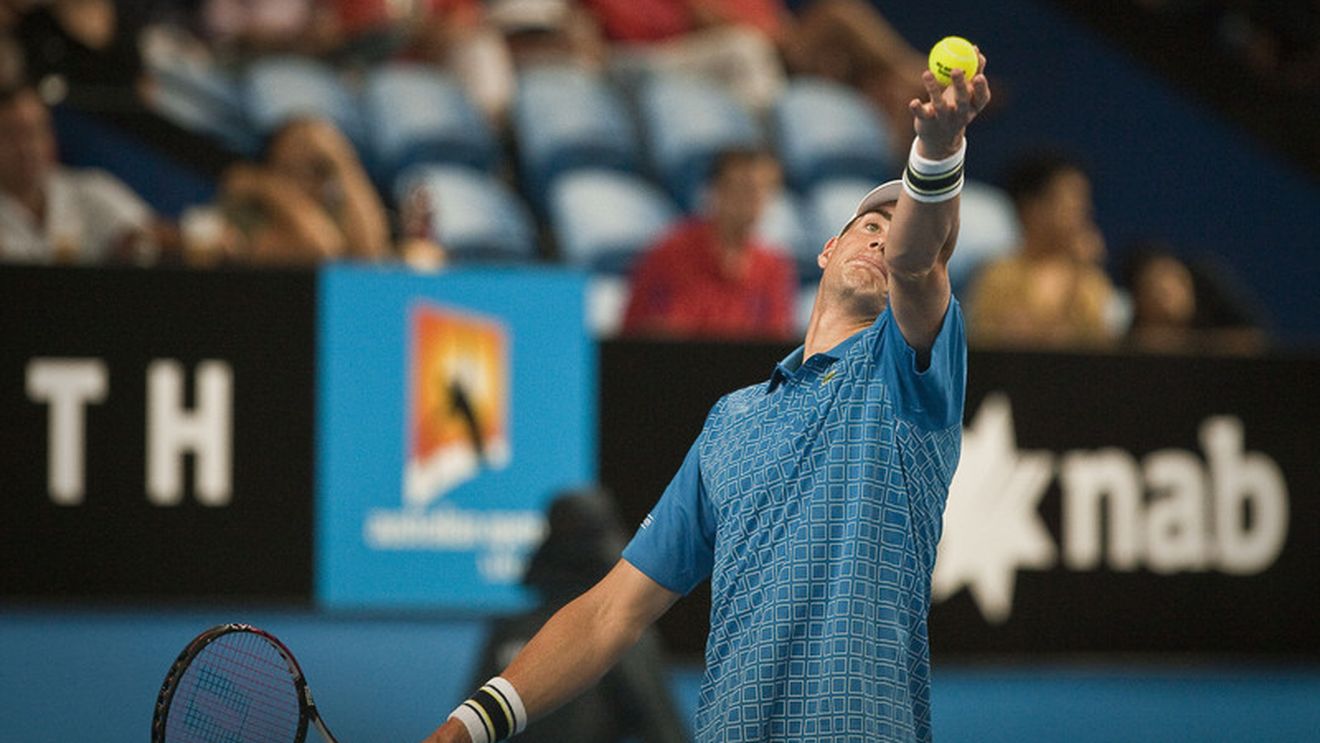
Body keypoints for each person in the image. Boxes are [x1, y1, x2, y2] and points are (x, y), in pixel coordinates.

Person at [426, 45, 991, 743]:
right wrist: (468, 724)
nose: (885, 240)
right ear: (826, 250)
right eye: (869, 224)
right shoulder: (733, 420)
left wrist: (937, 150)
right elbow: (612, 612)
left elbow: (915, 254)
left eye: (904, 231)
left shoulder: (911, 374)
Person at [621, 147, 797, 341]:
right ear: (716, 190)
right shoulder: (669, 253)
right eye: (744, 188)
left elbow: (777, 345)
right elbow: (634, 332)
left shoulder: (774, 267)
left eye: (765, 189)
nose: (755, 199)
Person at [966, 151, 1118, 348]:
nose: (1083, 210)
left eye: (1083, 201)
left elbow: (1103, 346)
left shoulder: (1091, 281)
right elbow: (981, 342)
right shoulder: (997, 277)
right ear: (1032, 208)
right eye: (1071, 200)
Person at [0, 82, 163, 264]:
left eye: (35, 132)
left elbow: (152, 233)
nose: (27, 148)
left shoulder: (87, 189)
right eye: (11, 134)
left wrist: (137, 242)